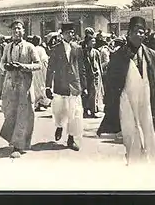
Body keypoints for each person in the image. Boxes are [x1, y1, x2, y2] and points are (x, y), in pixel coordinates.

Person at [97, 17, 155, 165]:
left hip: (146, 101)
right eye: (136, 32)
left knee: (148, 133)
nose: (139, 35)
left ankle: (147, 164)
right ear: (129, 33)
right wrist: (111, 108)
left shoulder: (152, 55)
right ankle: (133, 163)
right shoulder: (118, 56)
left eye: (142, 32)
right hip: (126, 101)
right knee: (131, 134)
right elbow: (111, 85)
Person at [0, 20, 41, 158]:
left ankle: (19, 145)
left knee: (24, 115)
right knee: (10, 113)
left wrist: (23, 66)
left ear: (24, 31)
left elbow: (38, 65)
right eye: (13, 30)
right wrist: (7, 67)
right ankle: (13, 141)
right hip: (10, 86)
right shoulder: (8, 47)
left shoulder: (29, 47)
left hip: (25, 86)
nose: (16, 32)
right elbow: (2, 63)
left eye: (18, 29)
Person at [45, 22, 87, 151]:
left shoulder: (77, 48)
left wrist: (84, 86)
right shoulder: (56, 49)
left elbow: (81, 68)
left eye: (72, 32)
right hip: (60, 85)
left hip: (74, 85)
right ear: (62, 34)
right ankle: (59, 126)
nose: (70, 34)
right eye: (68, 32)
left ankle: (71, 138)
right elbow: (50, 68)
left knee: (74, 113)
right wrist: (47, 87)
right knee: (59, 111)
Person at [82, 34, 105, 117]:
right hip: (86, 75)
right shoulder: (83, 52)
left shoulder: (96, 52)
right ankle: (85, 110)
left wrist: (101, 74)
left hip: (95, 75)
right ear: (87, 42)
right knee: (85, 93)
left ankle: (93, 111)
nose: (94, 42)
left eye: (94, 41)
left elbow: (98, 64)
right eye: (92, 41)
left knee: (94, 92)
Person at [30, 35, 50, 111]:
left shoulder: (32, 48)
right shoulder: (41, 49)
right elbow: (44, 59)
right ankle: (42, 101)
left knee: (35, 85)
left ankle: (37, 102)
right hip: (41, 70)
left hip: (34, 69)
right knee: (41, 84)